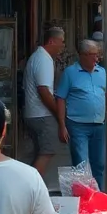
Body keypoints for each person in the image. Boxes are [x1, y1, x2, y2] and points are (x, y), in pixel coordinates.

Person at [56, 39, 107, 189]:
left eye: (98, 55)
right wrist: (62, 125)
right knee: (81, 164)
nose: (97, 59)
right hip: (77, 125)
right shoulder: (70, 73)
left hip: (99, 124)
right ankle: (84, 199)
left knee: (99, 164)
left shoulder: (102, 72)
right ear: (83, 55)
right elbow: (60, 98)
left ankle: (98, 197)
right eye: (94, 55)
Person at [23, 28, 65, 175]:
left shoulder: (39, 57)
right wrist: (59, 114)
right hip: (41, 114)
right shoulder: (43, 59)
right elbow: (44, 91)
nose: (62, 46)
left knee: (39, 152)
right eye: (61, 42)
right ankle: (32, 188)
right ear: (52, 41)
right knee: (47, 152)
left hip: (34, 113)